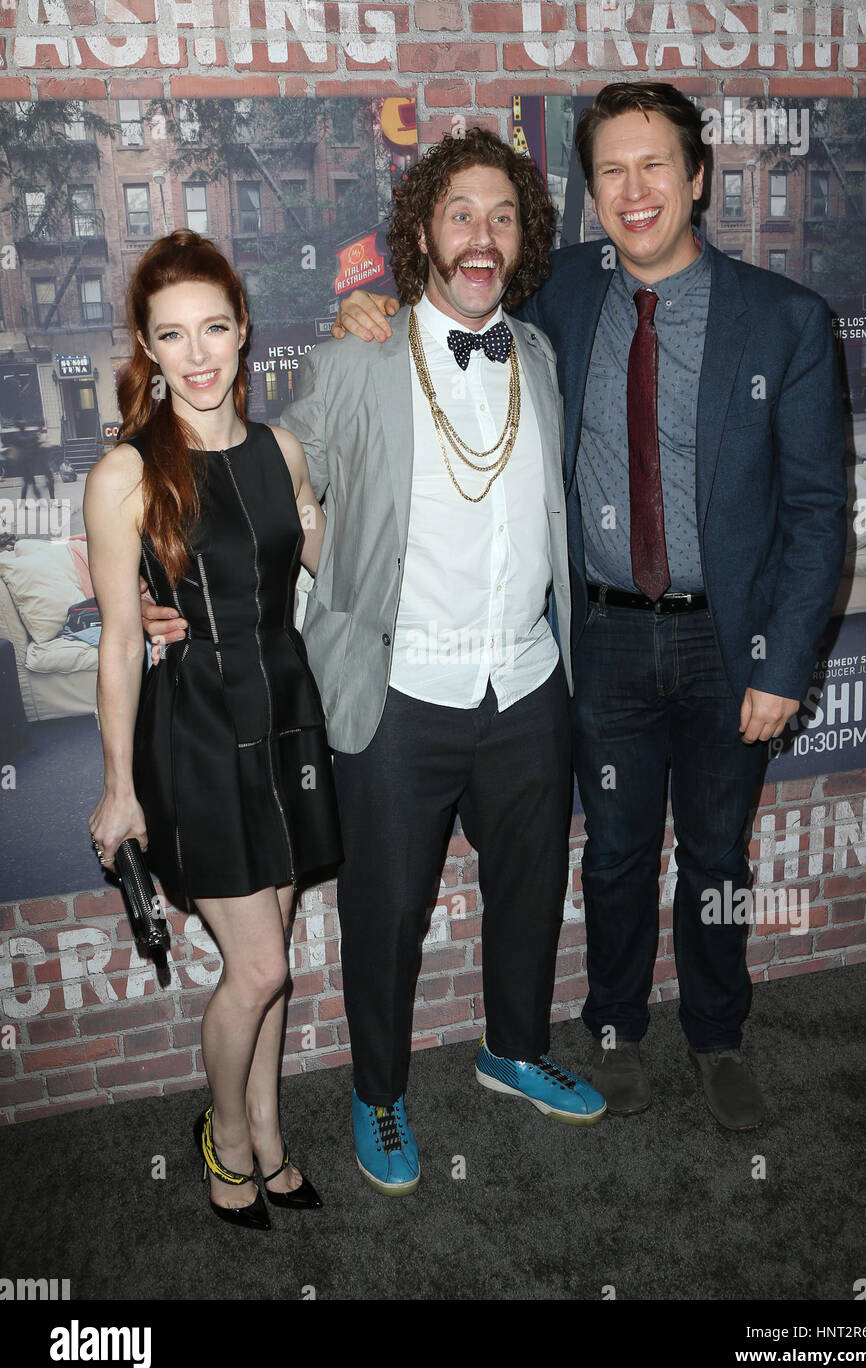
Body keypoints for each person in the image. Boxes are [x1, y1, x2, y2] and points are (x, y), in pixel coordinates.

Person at [332, 83, 849, 1131]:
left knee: (717, 856)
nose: (632, 189)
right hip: (598, 636)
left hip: (726, 643)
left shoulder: (783, 321)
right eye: (609, 170)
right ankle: (612, 1026)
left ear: (697, 177)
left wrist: (781, 664)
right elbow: (451, 304)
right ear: (588, 195)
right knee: (612, 852)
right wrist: (370, 311)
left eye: (653, 164)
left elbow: (815, 509)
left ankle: (716, 1033)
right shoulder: (559, 293)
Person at [145, 129, 606, 1197]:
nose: (480, 235)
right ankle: (378, 1090)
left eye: (501, 215)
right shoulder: (357, 357)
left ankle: (513, 1046)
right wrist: (153, 576)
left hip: (528, 680)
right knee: (384, 912)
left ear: (524, 236)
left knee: (530, 892)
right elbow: (256, 473)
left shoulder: (535, 351)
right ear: (422, 236)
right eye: (459, 215)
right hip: (397, 691)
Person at [86, 230, 341, 1229]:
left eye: (216, 329)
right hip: (197, 730)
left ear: (244, 333)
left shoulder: (281, 451)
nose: (197, 355)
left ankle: (269, 1135)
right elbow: (116, 642)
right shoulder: (127, 474)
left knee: (274, 950)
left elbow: (336, 565)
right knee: (261, 968)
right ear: (147, 350)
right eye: (171, 336)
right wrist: (119, 786)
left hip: (288, 714)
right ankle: (225, 1140)